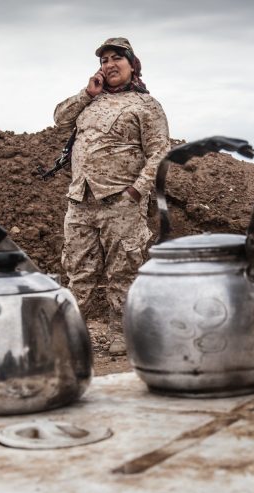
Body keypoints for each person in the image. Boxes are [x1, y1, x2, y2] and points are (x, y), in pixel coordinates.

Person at [54, 37, 171, 354]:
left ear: (132, 64)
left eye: (116, 58)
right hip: (80, 200)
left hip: (122, 202)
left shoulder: (146, 106)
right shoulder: (90, 101)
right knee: (79, 271)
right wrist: (87, 93)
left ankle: (121, 334)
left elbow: (160, 154)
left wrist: (136, 191)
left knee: (123, 272)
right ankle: (73, 333)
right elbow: (59, 118)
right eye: (104, 60)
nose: (109, 65)